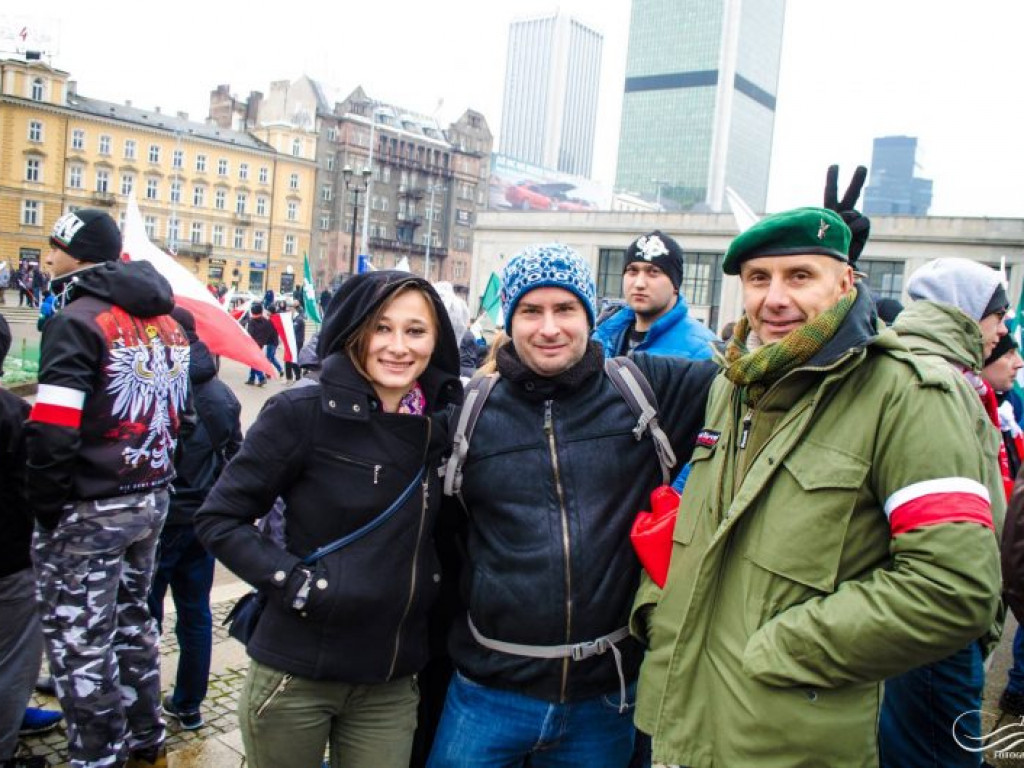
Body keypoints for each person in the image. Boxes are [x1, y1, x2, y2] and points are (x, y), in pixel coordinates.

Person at [634, 208, 1002, 768]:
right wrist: (658, 608)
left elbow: (953, 587)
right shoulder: (734, 385)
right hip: (684, 722)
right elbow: (702, 523)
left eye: (799, 276)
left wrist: (779, 649)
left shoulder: (909, 395)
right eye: (759, 279)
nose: (775, 298)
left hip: (792, 734)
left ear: (845, 282)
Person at [426, 244, 717, 768]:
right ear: (509, 320)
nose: (549, 328)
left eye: (565, 310)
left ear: (590, 314)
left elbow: (762, 382)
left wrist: (829, 283)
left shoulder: (644, 389)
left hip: (603, 697)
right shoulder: (471, 412)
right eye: (531, 311)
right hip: (488, 694)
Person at [195, 271, 464, 768]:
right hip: (297, 671)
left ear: (437, 341)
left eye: (416, 331)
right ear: (355, 331)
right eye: (382, 328)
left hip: (390, 677)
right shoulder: (301, 412)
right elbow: (220, 518)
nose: (399, 347)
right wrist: (295, 582)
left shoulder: (445, 426)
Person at [24, 209, 190, 768]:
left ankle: (98, 759)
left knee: (79, 645)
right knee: (132, 623)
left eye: (56, 244)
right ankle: (147, 745)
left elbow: (52, 430)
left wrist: (47, 506)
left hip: (89, 507)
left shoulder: (77, 320)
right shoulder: (169, 321)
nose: (48, 254)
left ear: (79, 252)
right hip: (149, 495)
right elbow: (181, 418)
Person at [878, 258, 1010, 768]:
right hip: (935, 617)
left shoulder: (957, 378)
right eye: (996, 315)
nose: (1002, 331)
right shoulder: (933, 379)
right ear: (966, 312)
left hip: (944, 613)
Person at [147, 305, 242, 732]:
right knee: (195, 613)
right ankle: (189, 704)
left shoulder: (163, 385)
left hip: (164, 521)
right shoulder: (223, 394)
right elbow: (236, 459)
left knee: (143, 615)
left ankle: (142, 707)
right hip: (202, 519)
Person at [0, 313, 59, 768]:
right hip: (10, 560)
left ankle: (15, 714)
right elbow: (39, 488)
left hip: (12, 558)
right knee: (15, 658)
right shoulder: (17, 415)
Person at [593, 230, 716, 359]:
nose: (639, 283)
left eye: (653, 272)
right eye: (632, 271)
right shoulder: (603, 335)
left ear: (675, 285)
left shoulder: (704, 352)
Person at [245, 301, 277, 386]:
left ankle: (261, 377)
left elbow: (250, 334)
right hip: (261, 343)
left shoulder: (252, 321)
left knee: (254, 361)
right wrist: (264, 340)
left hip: (253, 343)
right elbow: (270, 331)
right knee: (254, 360)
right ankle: (251, 378)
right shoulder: (266, 321)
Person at [284, 300, 306, 382]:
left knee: (293, 359)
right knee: (288, 359)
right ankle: (289, 377)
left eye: (289, 310)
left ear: (293, 309)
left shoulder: (298, 319)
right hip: (291, 342)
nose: (287, 312)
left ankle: (298, 376)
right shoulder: (292, 318)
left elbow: (293, 330)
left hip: (297, 342)